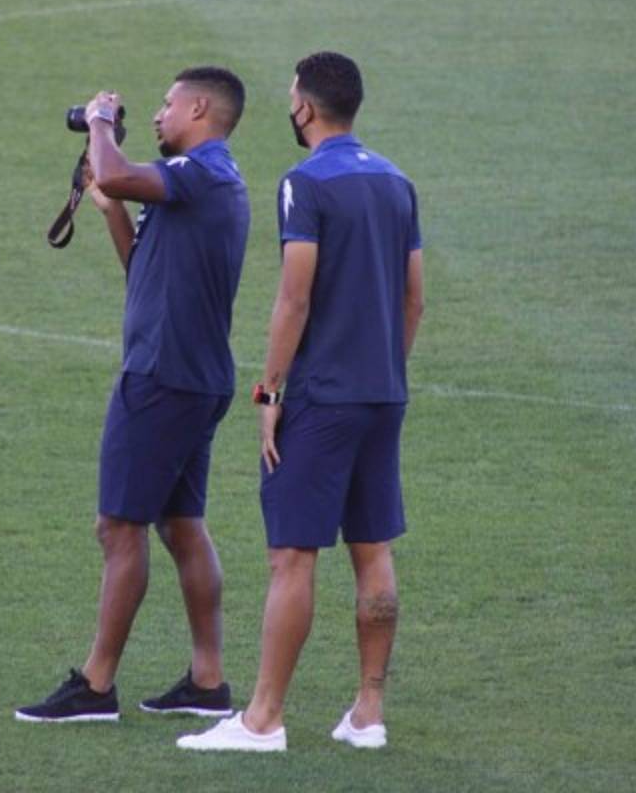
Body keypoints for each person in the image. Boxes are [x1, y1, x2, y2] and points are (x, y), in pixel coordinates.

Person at [178, 51, 425, 752]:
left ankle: (262, 720)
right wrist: (385, 372)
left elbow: (294, 296)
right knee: (373, 550)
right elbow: (415, 299)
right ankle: (368, 713)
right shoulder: (398, 183)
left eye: (291, 97)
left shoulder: (305, 183)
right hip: (383, 395)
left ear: (306, 108)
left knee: (293, 556)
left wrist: (269, 391)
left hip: (322, 398)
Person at [15, 67, 251, 723]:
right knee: (180, 525)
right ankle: (208, 681)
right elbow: (141, 268)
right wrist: (110, 207)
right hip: (194, 376)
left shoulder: (200, 174)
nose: (154, 116)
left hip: (162, 378)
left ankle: (95, 686)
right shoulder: (201, 184)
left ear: (200, 107)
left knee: (119, 527)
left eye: (166, 104)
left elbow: (118, 169)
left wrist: (97, 120)